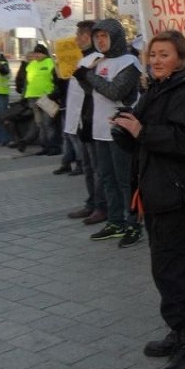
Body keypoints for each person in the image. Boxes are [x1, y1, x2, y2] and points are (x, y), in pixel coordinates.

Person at [110, 30, 185, 369]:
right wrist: (126, 131)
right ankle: (177, 330)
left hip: (175, 195)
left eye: (164, 54)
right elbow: (147, 140)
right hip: (156, 193)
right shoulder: (158, 88)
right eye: (152, 54)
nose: (155, 60)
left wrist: (142, 131)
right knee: (163, 268)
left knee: (171, 270)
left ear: (181, 58)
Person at [73, 19, 143, 247]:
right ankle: (115, 221)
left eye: (104, 36)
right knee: (107, 178)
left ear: (116, 37)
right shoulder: (98, 60)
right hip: (100, 129)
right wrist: (81, 77)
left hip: (120, 129)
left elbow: (115, 92)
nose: (100, 41)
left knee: (125, 180)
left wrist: (89, 76)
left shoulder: (129, 62)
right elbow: (92, 91)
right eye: (97, 37)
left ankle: (133, 224)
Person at [63, 21, 108, 222]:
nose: (77, 38)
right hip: (82, 121)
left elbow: (93, 92)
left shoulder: (98, 59)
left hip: (93, 119)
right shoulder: (82, 58)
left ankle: (102, 206)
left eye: (81, 33)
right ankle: (92, 203)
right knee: (89, 167)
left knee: (99, 169)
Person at [18, 44, 59, 155]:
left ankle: (53, 146)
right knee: (40, 123)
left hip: (46, 97)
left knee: (48, 123)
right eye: (35, 52)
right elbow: (27, 82)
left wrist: (55, 95)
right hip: (33, 97)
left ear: (45, 53)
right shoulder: (31, 65)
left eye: (39, 53)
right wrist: (24, 96)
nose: (36, 55)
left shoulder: (51, 63)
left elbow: (56, 80)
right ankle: (44, 146)